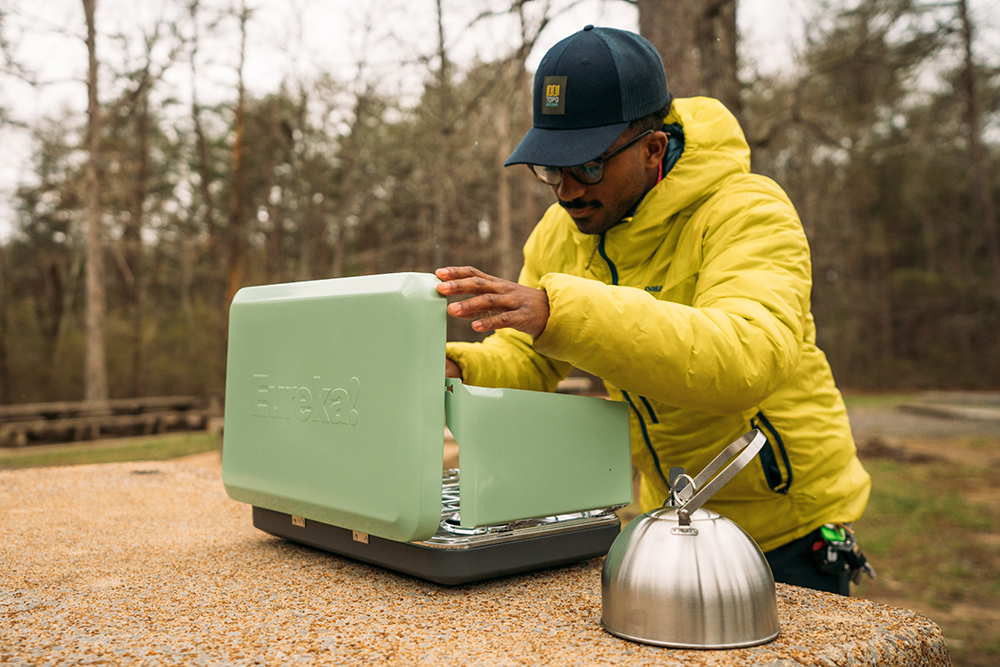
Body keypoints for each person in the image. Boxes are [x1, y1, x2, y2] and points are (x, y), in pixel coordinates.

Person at [434, 25, 872, 595]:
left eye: (587, 165)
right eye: (550, 169)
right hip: (672, 513)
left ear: (653, 149)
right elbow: (529, 357)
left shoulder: (748, 210)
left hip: (785, 526)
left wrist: (559, 311)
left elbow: (746, 358)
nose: (566, 191)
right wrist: (459, 370)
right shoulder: (561, 233)